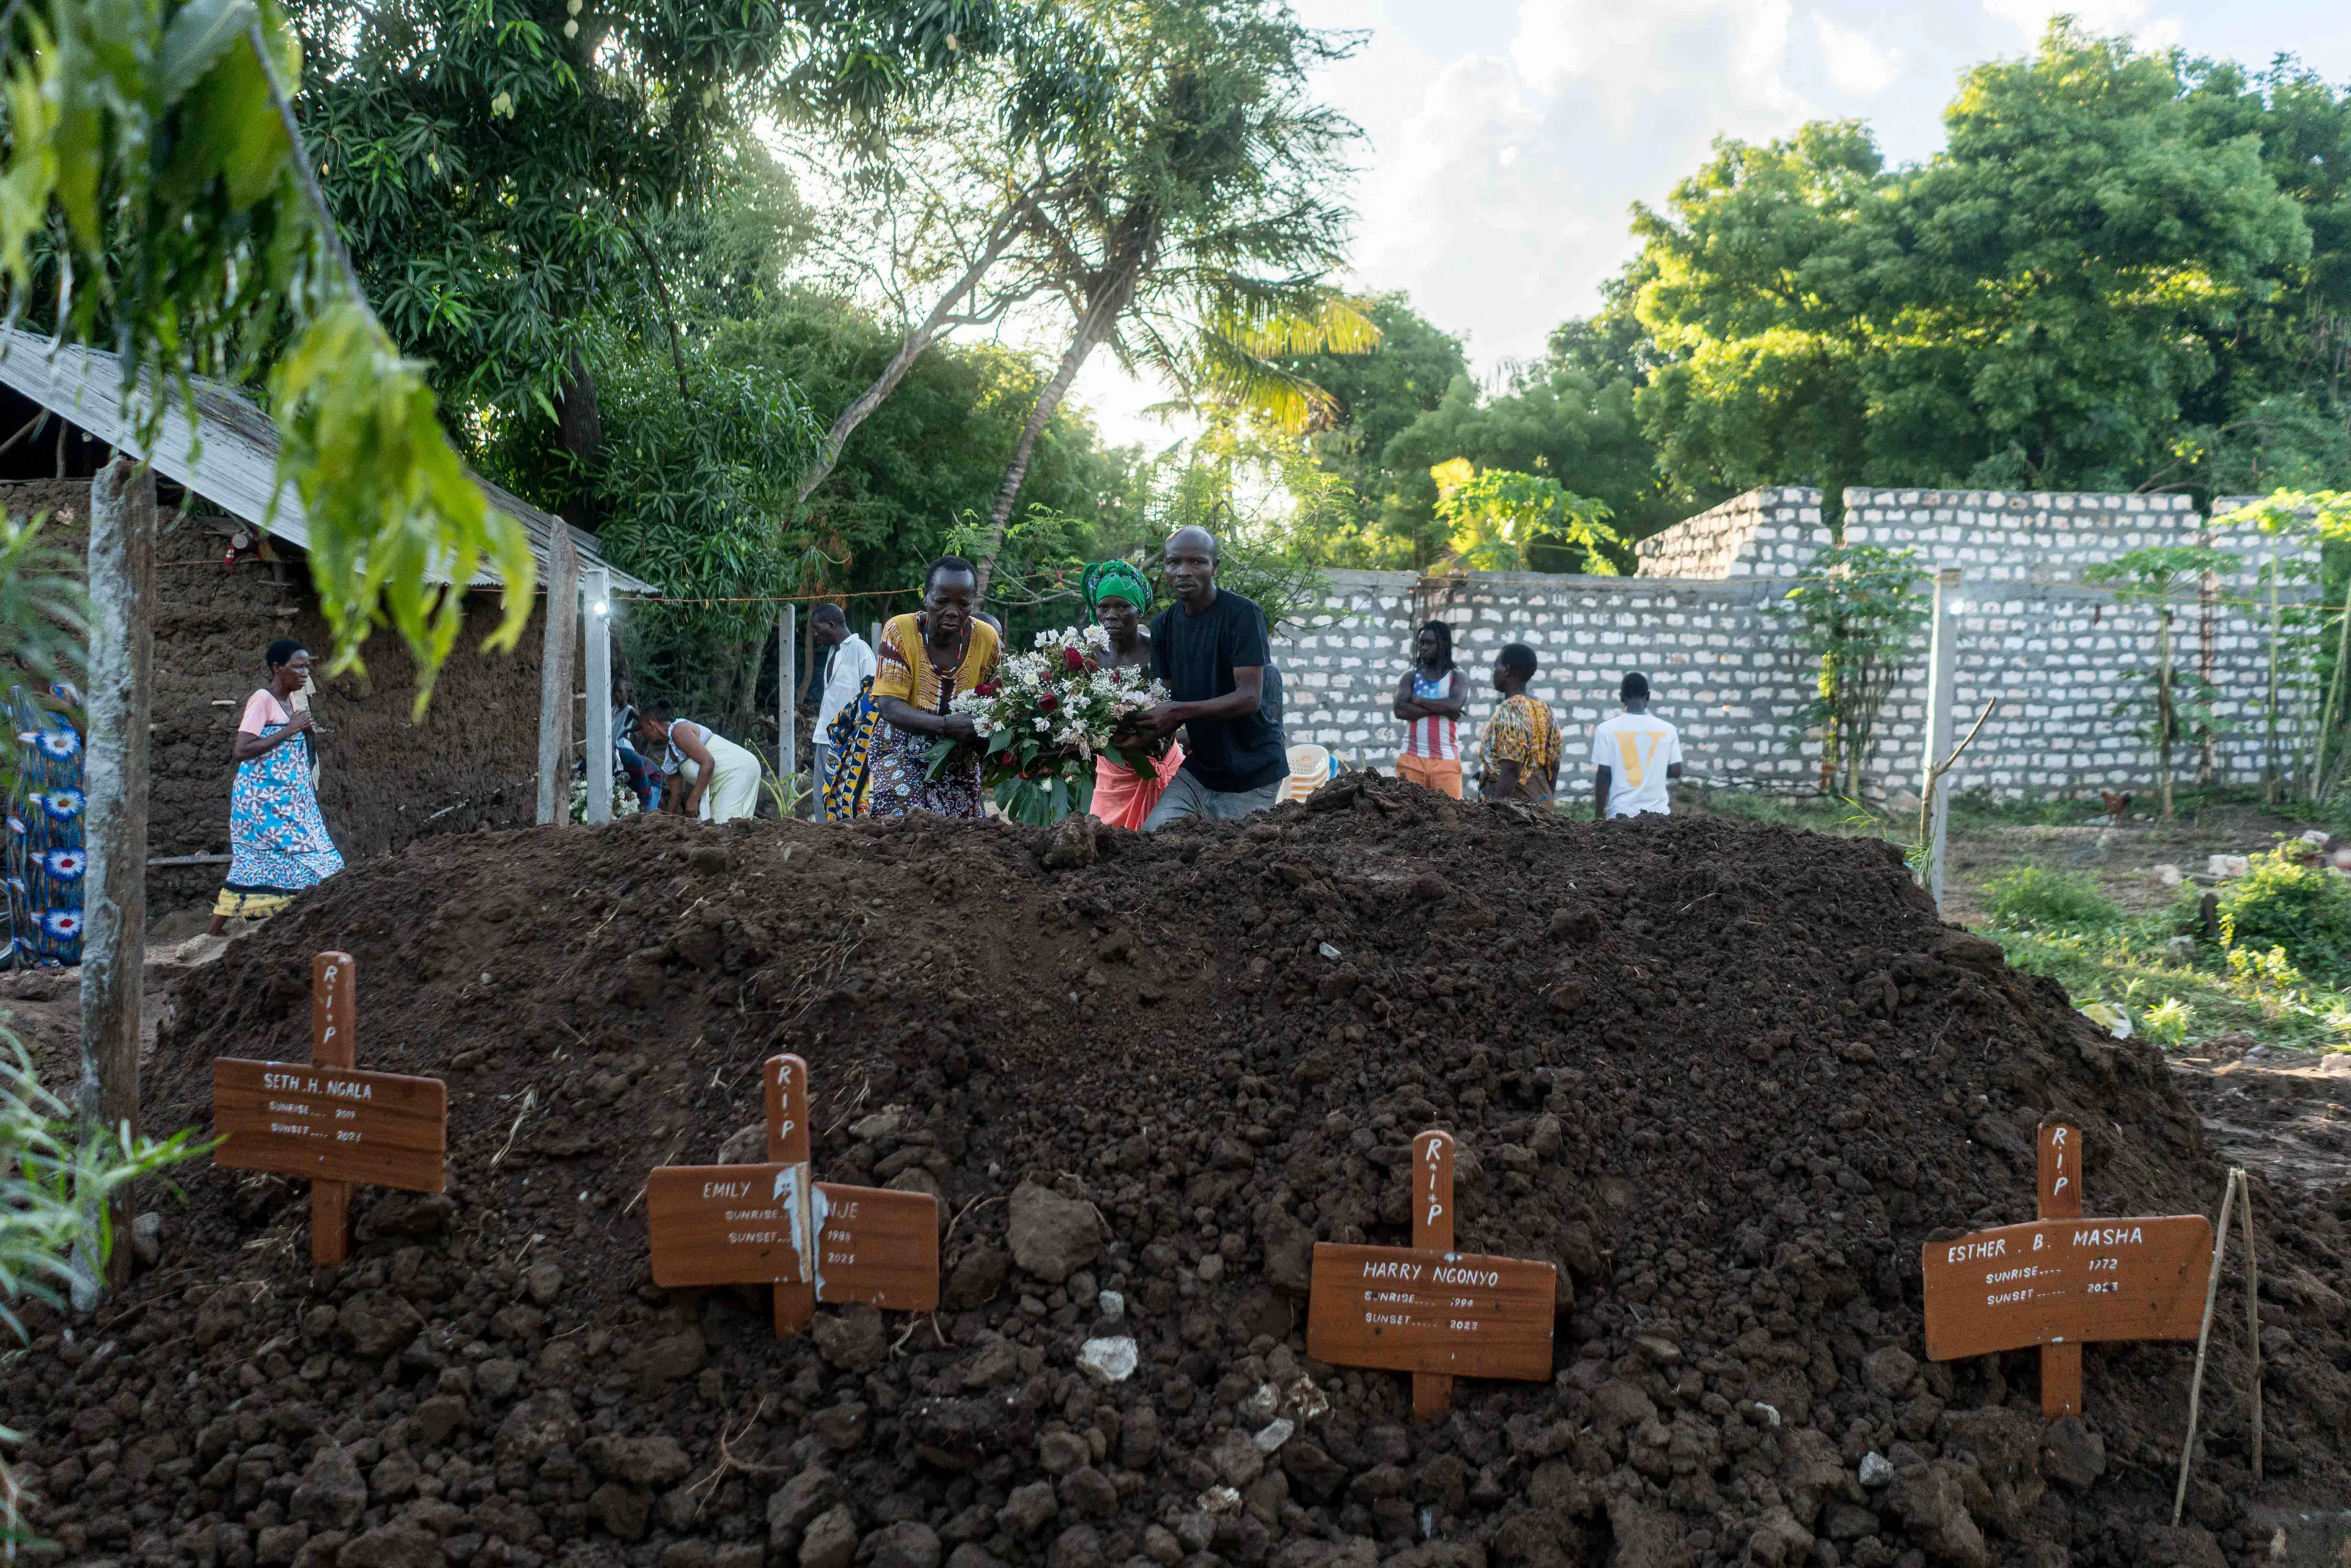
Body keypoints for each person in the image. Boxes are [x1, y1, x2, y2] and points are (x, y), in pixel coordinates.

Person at [1134, 527, 1289, 830]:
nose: (1183, 572)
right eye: (1173, 563)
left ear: (1215, 567)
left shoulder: (1242, 614)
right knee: (1154, 839)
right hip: (1200, 770)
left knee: (1227, 861)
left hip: (1251, 771)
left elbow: (1248, 698)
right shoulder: (1163, 625)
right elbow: (1162, 701)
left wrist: (1179, 711)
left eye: (1197, 562)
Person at [208, 640, 344, 933]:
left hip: (290, 804)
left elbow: (294, 751)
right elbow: (241, 750)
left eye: (307, 666)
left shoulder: (291, 702)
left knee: (308, 860)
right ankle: (213, 934)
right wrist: (290, 729)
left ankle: (225, 931)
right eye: (298, 666)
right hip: (261, 803)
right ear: (277, 668)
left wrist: (302, 731)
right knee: (308, 862)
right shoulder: (262, 699)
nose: (305, 672)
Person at [854, 557, 1002, 819]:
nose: (952, 611)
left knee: (960, 836)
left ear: (974, 602)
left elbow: (995, 700)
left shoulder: (988, 638)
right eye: (942, 601)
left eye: (963, 603)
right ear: (926, 596)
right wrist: (946, 725)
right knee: (905, 819)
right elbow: (889, 706)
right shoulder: (900, 631)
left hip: (957, 754)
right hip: (901, 745)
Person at [1083, 559, 1185, 830]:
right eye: (1104, 607)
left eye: (1122, 606)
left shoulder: (1160, 653)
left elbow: (1179, 707)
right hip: (1113, 774)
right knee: (1105, 840)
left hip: (1164, 765)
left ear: (1138, 610)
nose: (1111, 615)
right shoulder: (1088, 657)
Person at [636, 702, 762, 823]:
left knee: (725, 826)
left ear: (651, 725)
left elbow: (708, 762)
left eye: (642, 728)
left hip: (738, 770)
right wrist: (669, 824)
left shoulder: (680, 730)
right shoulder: (670, 756)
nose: (641, 733)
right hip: (721, 784)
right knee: (712, 828)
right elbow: (676, 794)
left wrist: (694, 799)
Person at [1475, 642, 1562, 804]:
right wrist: (1547, 798)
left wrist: (1494, 813)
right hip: (1541, 800)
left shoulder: (1511, 708)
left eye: (1496, 667)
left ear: (1507, 670)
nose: (1494, 673)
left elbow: (1511, 769)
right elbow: (1554, 764)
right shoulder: (1543, 707)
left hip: (1515, 807)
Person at [1592, 672, 1683, 819]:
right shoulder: (1668, 729)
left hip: (1621, 818)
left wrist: (1598, 816)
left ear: (1622, 697)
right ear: (1647, 696)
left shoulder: (1606, 730)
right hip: (1659, 817)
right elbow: (1676, 770)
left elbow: (1604, 774)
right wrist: (1655, 769)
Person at [1392, 620, 1466, 798]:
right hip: (1411, 761)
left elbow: (1455, 705)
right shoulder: (1410, 676)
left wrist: (1417, 701)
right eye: (1421, 643)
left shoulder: (1457, 676)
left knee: (1451, 819)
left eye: (1430, 643)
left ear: (1444, 645)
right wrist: (1442, 708)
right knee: (1406, 817)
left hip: (1446, 763)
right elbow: (1400, 711)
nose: (1424, 648)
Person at [811, 605, 876, 806]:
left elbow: (871, 697)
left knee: (843, 800)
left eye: (817, 628)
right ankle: (823, 838)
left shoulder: (860, 649)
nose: (815, 634)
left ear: (831, 625)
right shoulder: (833, 652)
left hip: (848, 742)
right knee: (820, 800)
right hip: (824, 738)